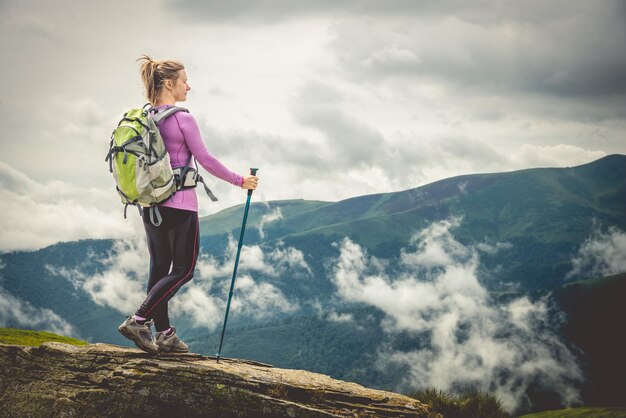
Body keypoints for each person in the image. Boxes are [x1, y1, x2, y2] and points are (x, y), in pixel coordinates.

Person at [118, 55, 259, 354]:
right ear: (169, 83)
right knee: (183, 269)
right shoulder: (183, 119)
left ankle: (165, 334)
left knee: (159, 270)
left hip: (151, 204)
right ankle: (139, 319)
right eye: (184, 81)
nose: (188, 87)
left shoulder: (146, 118)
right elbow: (205, 159)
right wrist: (239, 180)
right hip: (181, 206)